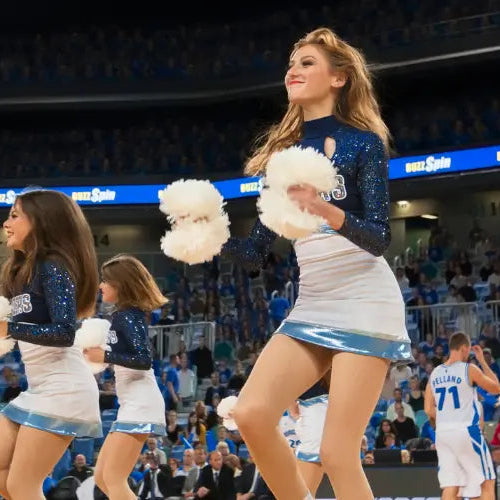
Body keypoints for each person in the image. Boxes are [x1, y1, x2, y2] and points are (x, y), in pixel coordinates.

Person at [218, 28, 412, 500]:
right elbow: (255, 252)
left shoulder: (363, 144)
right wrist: (208, 234)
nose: (293, 70)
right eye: (291, 63)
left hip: (365, 299)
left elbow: (378, 238)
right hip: (314, 301)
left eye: (306, 63)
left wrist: (322, 207)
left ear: (339, 78)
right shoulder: (283, 158)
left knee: (337, 453)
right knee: (251, 413)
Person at [0, 189, 101, 500]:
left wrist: (9, 328)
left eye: (15, 215)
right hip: (39, 389)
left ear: (41, 221)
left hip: (65, 389)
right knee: (4, 477)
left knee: (22, 486)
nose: (6, 223)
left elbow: (64, 333)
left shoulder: (52, 265)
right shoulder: (18, 271)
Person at [85, 254, 168, 500]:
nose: (101, 285)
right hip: (130, 403)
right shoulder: (123, 314)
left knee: (113, 478)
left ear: (120, 284)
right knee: (101, 477)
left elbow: (144, 360)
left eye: (105, 281)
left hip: (141, 403)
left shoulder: (128, 315)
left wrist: (105, 355)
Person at [425, 333, 499, 500]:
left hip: (443, 434)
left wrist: (448, 416)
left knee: (452, 485)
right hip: (466, 431)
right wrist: (482, 361)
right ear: (465, 348)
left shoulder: (435, 373)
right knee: (486, 481)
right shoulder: (468, 369)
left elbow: (428, 409)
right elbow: (496, 388)